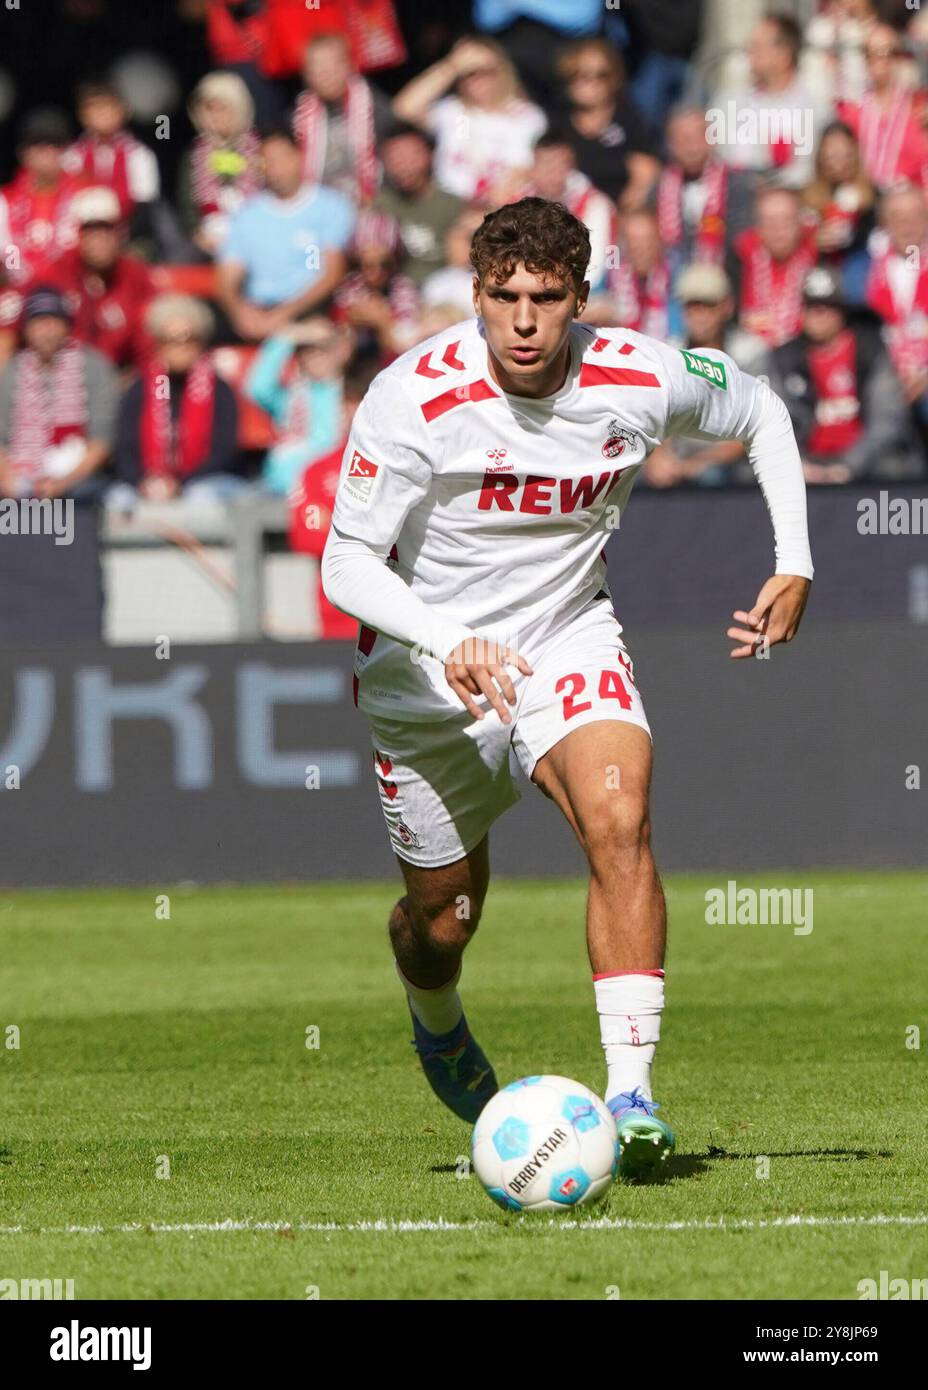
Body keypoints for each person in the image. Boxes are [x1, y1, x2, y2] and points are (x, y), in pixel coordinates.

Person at [320, 197, 813, 1171]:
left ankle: (629, 1092)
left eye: (546, 298)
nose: (524, 321)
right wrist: (446, 635)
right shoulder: (412, 395)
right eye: (503, 297)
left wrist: (793, 558)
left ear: (580, 297)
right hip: (428, 677)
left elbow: (758, 408)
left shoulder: (635, 373)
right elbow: (346, 564)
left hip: (563, 635)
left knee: (618, 814)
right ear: (475, 294)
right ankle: (434, 1011)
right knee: (443, 917)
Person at [767, 265, 914, 482]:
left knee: (895, 466)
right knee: (752, 472)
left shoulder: (870, 350)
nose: (820, 315)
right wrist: (799, 465)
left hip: (864, 459)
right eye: (812, 307)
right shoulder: (785, 358)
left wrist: (848, 466)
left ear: (842, 311)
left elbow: (887, 420)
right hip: (807, 459)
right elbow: (774, 422)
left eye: (828, 307)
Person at [217, 128, 354, 342]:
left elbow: (332, 273)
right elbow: (227, 277)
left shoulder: (331, 206)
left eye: (282, 158)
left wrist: (284, 314)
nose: (275, 169)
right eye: (267, 161)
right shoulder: (247, 214)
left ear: (298, 157)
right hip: (258, 313)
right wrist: (240, 312)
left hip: (310, 310)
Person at [109, 294, 242, 507]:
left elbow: (224, 452)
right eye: (170, 340)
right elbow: (124, 450)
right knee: (118, 499)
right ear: (158, 344)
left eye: (188, 340)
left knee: (200, 496)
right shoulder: (140, 388)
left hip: (202, 480)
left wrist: (179, 483)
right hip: (148, 482)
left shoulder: (219, 389)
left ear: (200, 343)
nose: (180, 348)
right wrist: (143, 482)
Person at [644, 262, 767, 487]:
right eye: (691, 306)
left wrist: (700, 463)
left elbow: (757, 428)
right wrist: (657, 456)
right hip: (678, 455)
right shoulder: (670, 352)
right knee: (635, 474)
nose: (698, 315)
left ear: (726, 306)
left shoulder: (750, 353)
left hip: (730, 459)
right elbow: (655, 413)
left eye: (707, 306)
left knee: (712, 477)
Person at [392, 36, 547, 206]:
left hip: (501, 210)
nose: (478, 80)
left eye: (486, 71)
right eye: (469, 73)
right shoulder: (456, 112)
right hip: (448, 210)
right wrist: (451, 66)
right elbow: (404, 109)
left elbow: (521, 171)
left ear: (501, 71)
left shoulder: (527, 117)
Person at [0, 286, 117, 503]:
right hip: (21, 473)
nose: (47, 331)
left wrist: (63, 483)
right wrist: (7, 476)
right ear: (26, 330)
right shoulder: (12, 370)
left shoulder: (93, 366)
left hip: (79, 476)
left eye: (54, 321)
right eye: (39, 322)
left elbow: (102, 441)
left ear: (67, 326)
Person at [288, 360, 378, 638]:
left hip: (403, 620)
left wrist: (339, 522)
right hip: (339, 618)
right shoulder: (319, 470)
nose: (358, 412)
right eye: (352, 402)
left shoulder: (411, 465)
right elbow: (307, 536)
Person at [39, 185, 156, 373]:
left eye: (106, 230)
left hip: (122, 375)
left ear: (119, 233)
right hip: (64, 377)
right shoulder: (58, 273)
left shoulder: (136, 275)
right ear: (79, 235)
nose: (99, 240)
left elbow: (148, 345)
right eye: (91, 231)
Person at [711, 13, 831, 190]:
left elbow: (812, 169)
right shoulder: (730, 101)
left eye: (757, 47)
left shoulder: (815, 106)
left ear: (784, 55)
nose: (749, 53)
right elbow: (721, 156)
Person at [245, 316, 351, 495]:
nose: (316, 357)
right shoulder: (288, 397)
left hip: (334, 487)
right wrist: (289, 336)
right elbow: (257, 388)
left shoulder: (354, 392)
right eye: (307, 351)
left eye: (324, 349)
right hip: (284, 488)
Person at [555, 37, 660, 211]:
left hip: (621, 217)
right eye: (578, 75)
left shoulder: (629, 120)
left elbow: (645, 174)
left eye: (600, 75)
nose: (589, 82)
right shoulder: (558, 125)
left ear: (614, 78)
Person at [292, 31, 393, 205]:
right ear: (307, 76)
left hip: (372, 202)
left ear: (350, 66)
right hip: (319, 206)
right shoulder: (297, 119)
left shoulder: (376, 108)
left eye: (334, 65)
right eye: (317, 67)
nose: (326, 74)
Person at [865, 183, 928, 437]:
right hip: (882, 368)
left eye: (916, 216)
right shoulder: (862, 271)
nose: (907, 225)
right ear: (884, 223)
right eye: (898, 217)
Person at [178, 71, 263, 260]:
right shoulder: (194, 154)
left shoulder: (259, 149)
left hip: (256, 231)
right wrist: (198, 232)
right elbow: (186, 201)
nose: (217, 117)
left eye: (224, 109)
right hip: (208, 237)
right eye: (211, 110)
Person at [837, 23, 928, 192]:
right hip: (865, 203)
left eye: (889, 53)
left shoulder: (919, 105)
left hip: (910, 203)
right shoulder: (851, 109)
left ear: (900, 58)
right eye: (872, 54)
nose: (881, 61)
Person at [372, 124, 465, 289]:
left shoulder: (454, 206)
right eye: (395, 158)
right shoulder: (378, 205)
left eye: (411, 156)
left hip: (440, 291)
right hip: (392, 291)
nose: (404, 166)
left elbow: (459, 263)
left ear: (429, 156)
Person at [731, 184, 819, 348]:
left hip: (801, 353)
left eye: (786, 221)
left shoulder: (817, 252)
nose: (778, 230)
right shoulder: (739, 255)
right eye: (769, 222)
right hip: (750, 353)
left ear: (801, 223)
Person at [62, 80, 160, 220]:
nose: (103, 114)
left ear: (123, 111)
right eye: (95, 108)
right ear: (83, 116)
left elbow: (145, 205)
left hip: (127, 231)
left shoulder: (139, 155)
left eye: (109, 107)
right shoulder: (72, 156)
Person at [332, 209, 420, 364]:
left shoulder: (404, 291)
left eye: (383, 265)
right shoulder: (350, 287)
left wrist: (382, 323)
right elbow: (339, 343)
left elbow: (406, 353)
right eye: (366, 265)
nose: (374, 273)